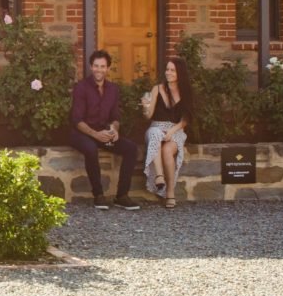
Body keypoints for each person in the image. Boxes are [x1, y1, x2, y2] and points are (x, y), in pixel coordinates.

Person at [68, 49, 140, 210]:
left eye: (102, 66)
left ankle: (122, 196)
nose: (98, 70)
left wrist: (114, 130)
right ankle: (98, 195)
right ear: (91, 67)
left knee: (131, 148)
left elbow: (115, 116)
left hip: (102, 132)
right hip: (81, 133)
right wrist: (96, 135)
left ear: (108, 68)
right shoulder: (81, 87)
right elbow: (77, 120)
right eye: (96, 66)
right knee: (91, 149)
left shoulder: (113, 89)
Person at [141, 55, 193, 209]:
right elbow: (148, 116)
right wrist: (145, 107)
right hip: (155, 127)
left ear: (180, 73)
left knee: (167, 150)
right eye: (167, 69)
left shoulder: (186, 92)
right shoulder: (157, 89)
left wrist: (171, 131)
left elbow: (185, 119)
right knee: (155, 133)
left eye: (172, 70)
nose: (168, 73)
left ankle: (170, 192)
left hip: (176, 129)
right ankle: (159, 176)